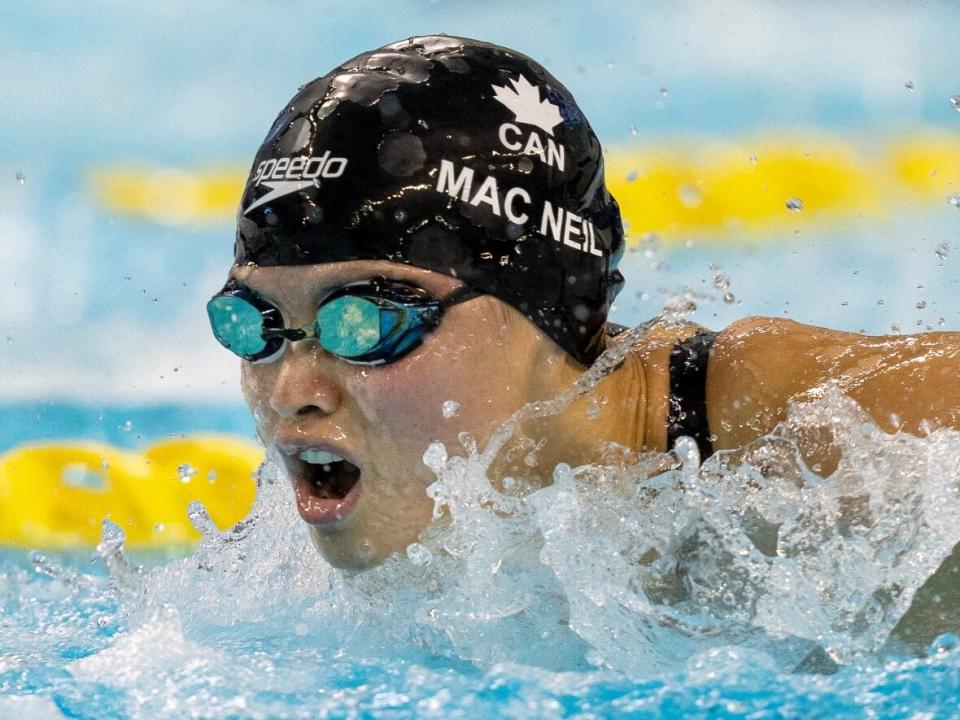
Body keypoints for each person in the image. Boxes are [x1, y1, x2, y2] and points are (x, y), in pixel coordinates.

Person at [206, 33, 960, 644]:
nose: (291, 392)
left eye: (367, 322)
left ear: (544, 314)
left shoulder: (806, 437)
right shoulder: (270, 584)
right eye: (258, 326)